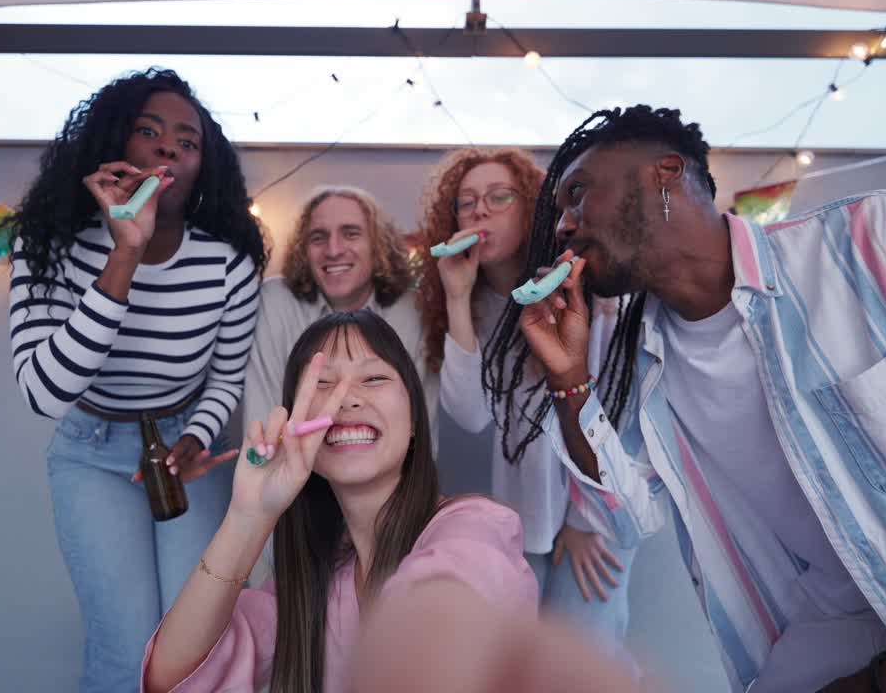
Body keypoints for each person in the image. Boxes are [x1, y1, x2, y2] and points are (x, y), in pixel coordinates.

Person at [490, 104, 886, 692]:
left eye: (578, 192)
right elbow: (629, 511)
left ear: (664, 172)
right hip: (819, 652)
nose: (563, 224)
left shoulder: (879, 241)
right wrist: (567, 378)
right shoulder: (641, 360)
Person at [8, 67, 265, 692]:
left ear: (204, 165)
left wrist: (198, 436)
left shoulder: (229, 262)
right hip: (90, 455)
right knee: (126, 650)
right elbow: (45, 393)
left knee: (195, 646)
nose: (169, 147)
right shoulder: (48, 242)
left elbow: (225, 380)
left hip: (183, 453)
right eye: (149, 132)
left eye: (188, 140)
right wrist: (125, 250)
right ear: (115, 144)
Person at [141, 310, 536, 692]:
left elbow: (450, 606)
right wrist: (248, 517)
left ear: (415, 418)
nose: (346, 400)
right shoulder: (313, 587)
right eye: (323, 385)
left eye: (374, 377)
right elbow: (173, 677)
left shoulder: (473, 524)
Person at [415, 148, 636, 644]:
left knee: (584, 660)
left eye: (499, 197)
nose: (479, 211)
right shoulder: (472, 302)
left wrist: (585, 518)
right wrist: (455, 296)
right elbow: (471, 416)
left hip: (596, 512)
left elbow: (615, 413)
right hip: (526, 515)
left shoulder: (582, 290)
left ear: (532, 207)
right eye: (466, 202)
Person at [243, 185, 438, 441]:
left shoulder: (412, 309)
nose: (333, 250)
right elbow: (265, 427)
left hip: (387, 475)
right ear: (304, 250)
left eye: (351, 234)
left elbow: (416, 431)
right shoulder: (275, 301)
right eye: (318, 237)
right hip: (293, 472)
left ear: (377, 247)